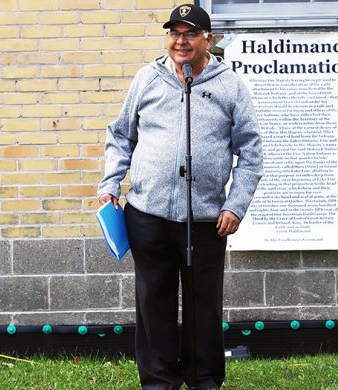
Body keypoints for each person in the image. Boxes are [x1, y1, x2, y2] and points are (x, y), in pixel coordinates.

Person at [98, 4, 262, 389]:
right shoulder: (147, 79)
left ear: (208, 39)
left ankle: (203, 379)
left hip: (205, 219)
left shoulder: (229, 86)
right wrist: (109, 185)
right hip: (147, 214)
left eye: (190, 33)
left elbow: (251, 151)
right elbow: (121, 135)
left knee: (203, 306)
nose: (180, 41)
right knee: (153, 304)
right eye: (174, 33)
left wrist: (235, 205)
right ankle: (158, 382)